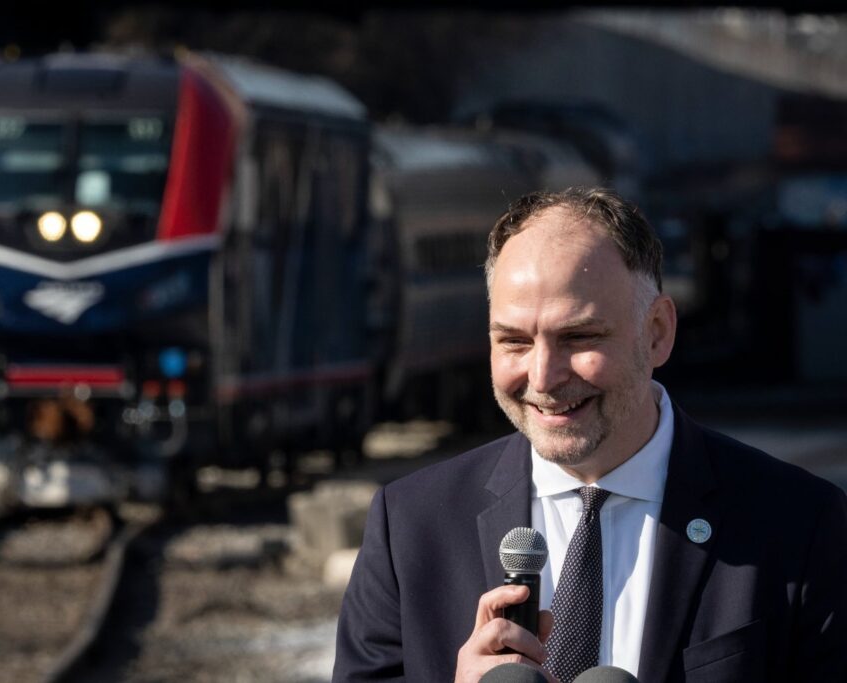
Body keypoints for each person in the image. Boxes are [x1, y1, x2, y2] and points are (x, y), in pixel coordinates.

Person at [333, 187, 847, 682]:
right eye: (513, 341)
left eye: (578, 337)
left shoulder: (799, 525)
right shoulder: (410, 528)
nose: (542, 377)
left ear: (658, 332)